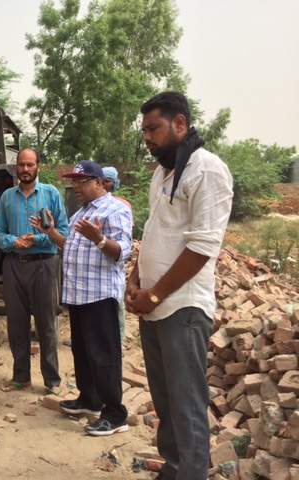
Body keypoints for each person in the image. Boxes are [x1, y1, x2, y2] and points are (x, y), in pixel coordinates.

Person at [126, 92, 233, 479]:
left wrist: (155, 293)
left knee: (186, 404)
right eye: (144, 131)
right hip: (154, 308)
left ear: (180, 124)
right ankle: (173, 469)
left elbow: (203, 246)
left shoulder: (208, 170)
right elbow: (155, 232)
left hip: (182, 308)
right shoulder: (163, 173)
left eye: (153, 129)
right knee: (166, 401)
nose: (147, 138)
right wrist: (137, 279)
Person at [32, 160, 133, 435]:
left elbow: (123, 252)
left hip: (100, 296)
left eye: (82, 181)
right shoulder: (82, 213)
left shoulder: (116, 210)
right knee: (83, 351)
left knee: (104, 355)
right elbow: (72, 246)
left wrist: (100, 239)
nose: (76, 186)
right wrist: (50, 233)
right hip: (78, 295)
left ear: (99, 183)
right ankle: (90, 399)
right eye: (74, 181)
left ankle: (115, 415)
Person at [0, 148, 69, 395]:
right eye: (21, 165)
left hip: (44, 265)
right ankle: (21, 377)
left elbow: (64, 234)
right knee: (16, 324)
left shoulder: (51, 194)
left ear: (38, 166)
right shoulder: (6, 197)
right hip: (14, 265)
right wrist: (14, 242)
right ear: (16, 167)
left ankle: (52, 381)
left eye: (30, 165)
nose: (25, 170)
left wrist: (37, 239)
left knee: (46, 323)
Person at [102, 166, 132, 340]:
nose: (104, 184)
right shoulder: (92, 205)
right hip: (99, 261)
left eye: (108, 181)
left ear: (114, 184)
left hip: (114, 260)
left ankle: (118, 339)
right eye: (102, 180)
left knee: (116, 302)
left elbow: (124, 240)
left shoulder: (121, 205)